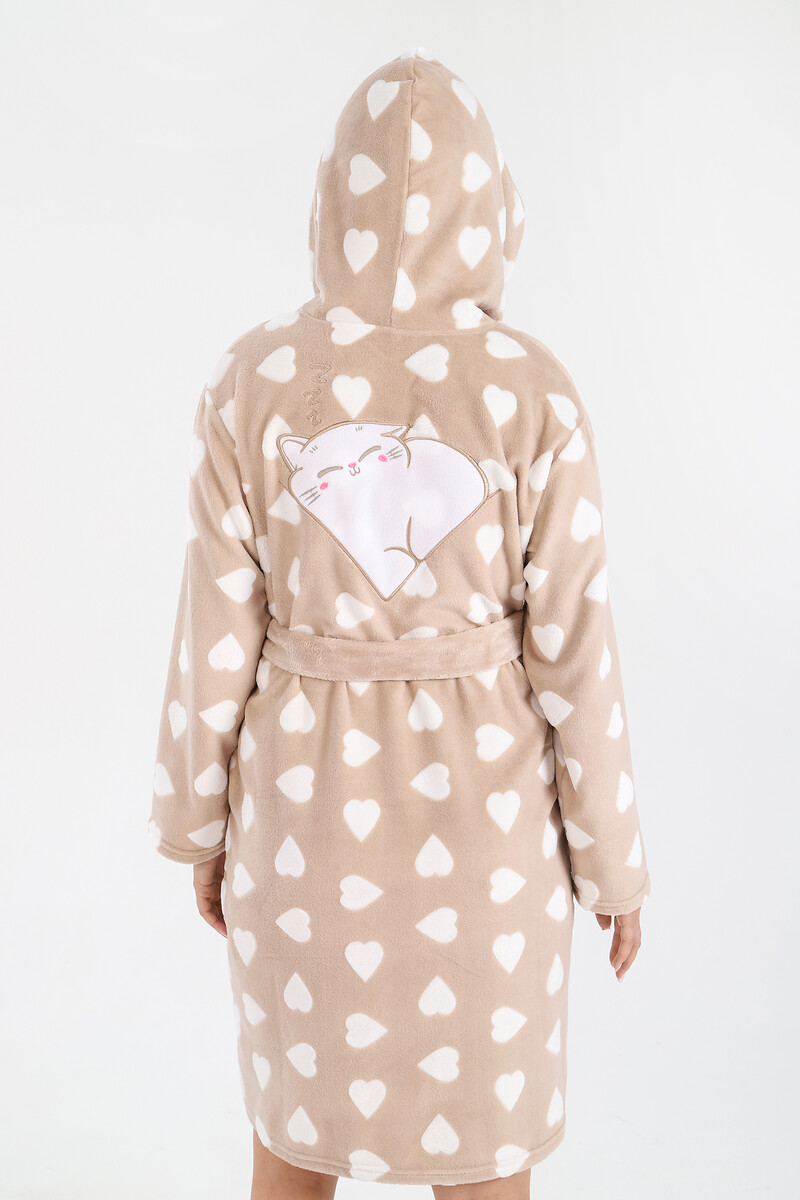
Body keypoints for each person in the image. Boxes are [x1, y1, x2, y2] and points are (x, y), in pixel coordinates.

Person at [148, 45, 651, 1200]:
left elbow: (211, 632)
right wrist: (613, 864)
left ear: (330, 205)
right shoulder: (531, 392)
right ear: (490, 211)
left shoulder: (250, 381)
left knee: (294, 1144)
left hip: (299, 836)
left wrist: (196, 821)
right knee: (485, 1150)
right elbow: (576, 654)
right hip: (487, 857)